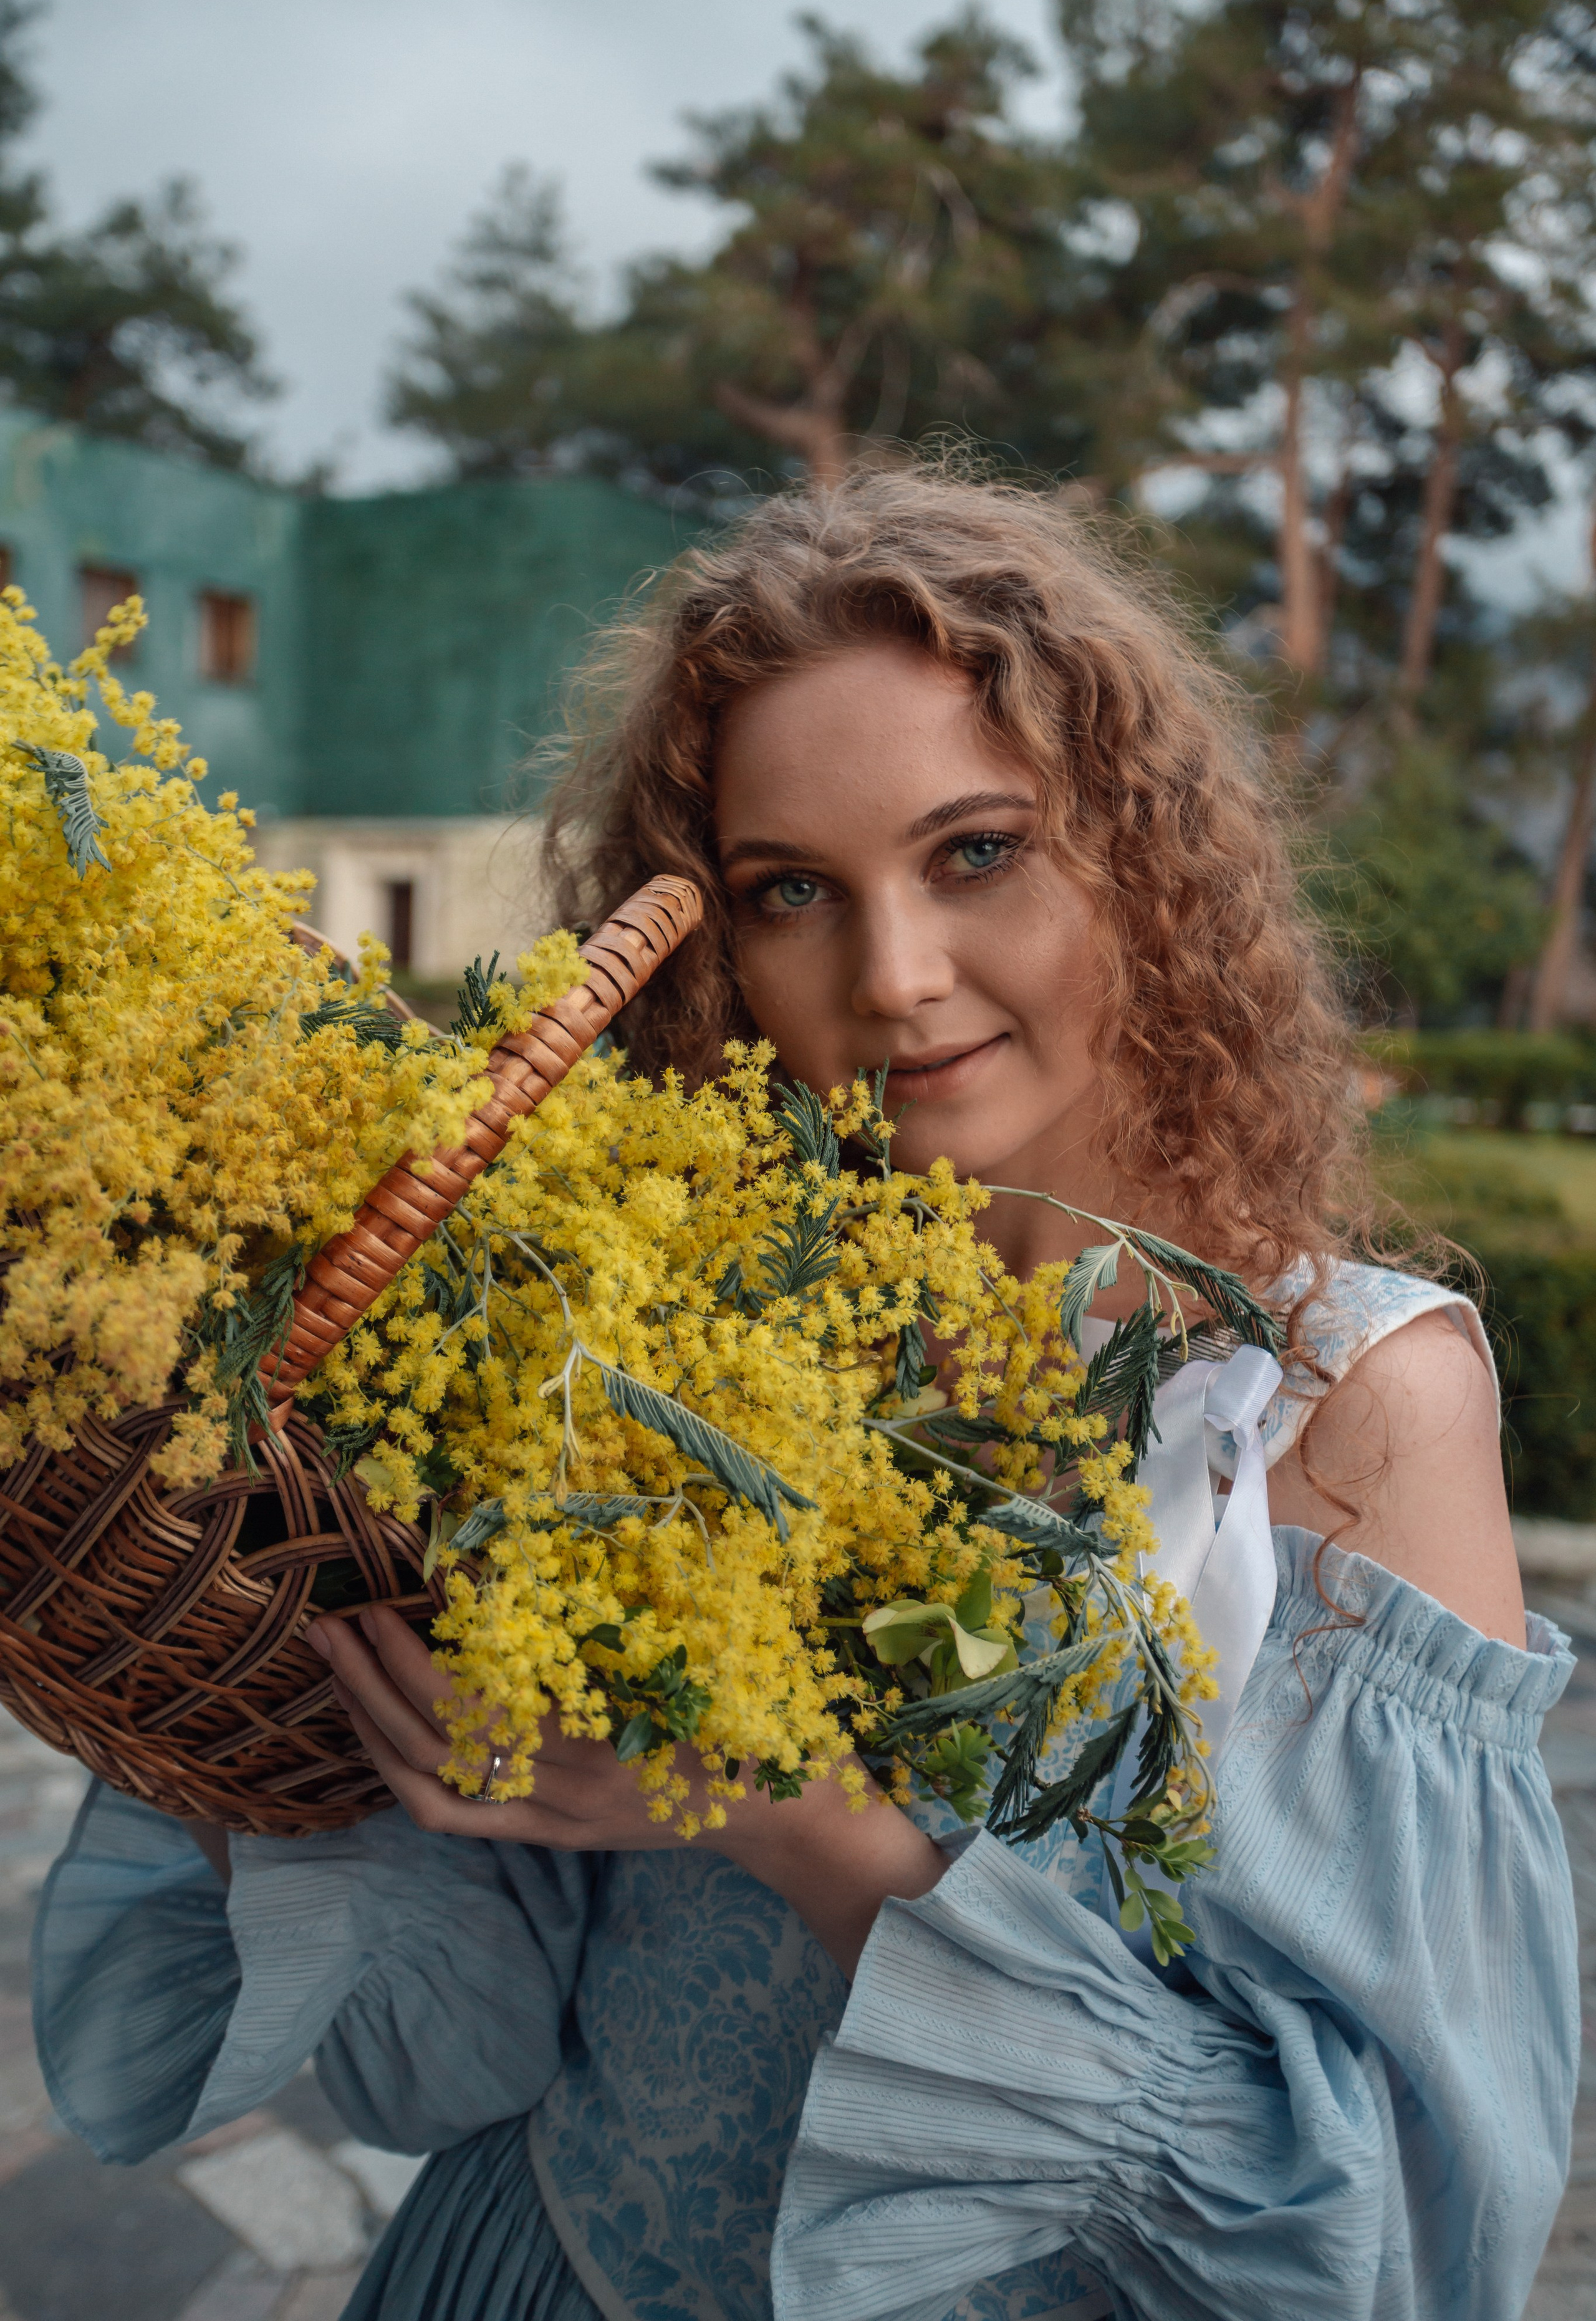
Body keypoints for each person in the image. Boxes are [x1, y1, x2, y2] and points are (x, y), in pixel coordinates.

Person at [32, 468, 1577, 2321]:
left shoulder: (1339, 1403)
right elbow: (481, 2034)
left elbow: (1387, 2244)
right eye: (790, 892)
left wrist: (781, 1817)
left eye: (978, 851)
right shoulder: (674, 1317)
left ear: (1145, 862)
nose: (898, 978)